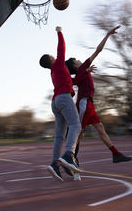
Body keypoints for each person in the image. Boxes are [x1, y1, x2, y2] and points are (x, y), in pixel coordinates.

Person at [65, 26, 132, 180]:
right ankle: (70, 161)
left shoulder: (83, 70)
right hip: (83, 104)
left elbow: (74, 79)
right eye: (75, 59)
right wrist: (107, 34)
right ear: (75, 65)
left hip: (90, 105)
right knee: (78, 134)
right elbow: (97, 51)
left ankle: (116, 154)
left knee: (101, 129)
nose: (78, 59)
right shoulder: (82, 68)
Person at [39, 26, 83, 182]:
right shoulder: (57, 65)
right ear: (51, 60)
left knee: (59, 136)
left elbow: (70, 81)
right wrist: (59, 32)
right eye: (52, 55)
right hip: (63, 99)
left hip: (55, 102)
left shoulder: (54, 71)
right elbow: (61, 47)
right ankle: (69, 154)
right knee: (76, 125)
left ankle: (54, 164)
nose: (55, 55)